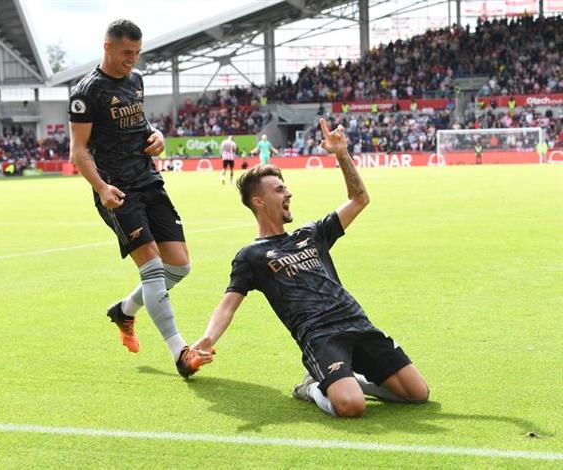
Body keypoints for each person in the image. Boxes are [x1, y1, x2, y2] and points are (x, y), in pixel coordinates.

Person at [193, 118, 429, 417]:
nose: (288, 193)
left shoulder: (312, 233)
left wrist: (341, 154)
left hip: (356, 321)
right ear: (259, 201)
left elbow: (359, 199)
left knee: (418, 394)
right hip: (321, 337)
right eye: (279, 190)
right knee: (351, 406)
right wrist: (208, 339)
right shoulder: (251, 255)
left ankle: (354, 383)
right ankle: (313, 386)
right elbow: (228, 306)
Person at [68, 19, 212, 377]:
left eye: (136, 53)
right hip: (117, 190)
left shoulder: (136, 81)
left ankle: (125, 311)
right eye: (126, 53)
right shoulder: (87, 92)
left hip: (149, 180)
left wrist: (158, 135)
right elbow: (78, 150)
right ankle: (181, 353)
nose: (132, 59)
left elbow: (141, 127)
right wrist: (101, 188)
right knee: (152, 268)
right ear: (107, 47)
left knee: (179, 266)